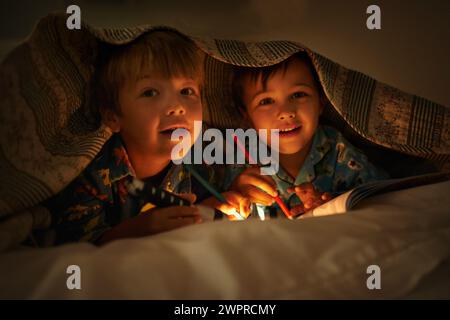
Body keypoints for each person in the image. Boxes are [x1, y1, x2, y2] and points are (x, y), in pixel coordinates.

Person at [43, 30, 249, 245]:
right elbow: (75, 247)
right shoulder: (90, 175)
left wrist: (230, 193)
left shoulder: (207, 152)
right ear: (113, 116)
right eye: (150, 92)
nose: (177, 107)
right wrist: (138, 230)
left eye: (187, 91)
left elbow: (236, 181)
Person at [229, 52, 388, 217]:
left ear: (321, 102)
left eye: (298, 95)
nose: (286, 112)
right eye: (266, 101)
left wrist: (330, 206)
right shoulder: (240, 159)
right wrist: (236, 193)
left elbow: (384, 197)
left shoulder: (339, 151)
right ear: (246, 116)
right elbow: (217, 209)